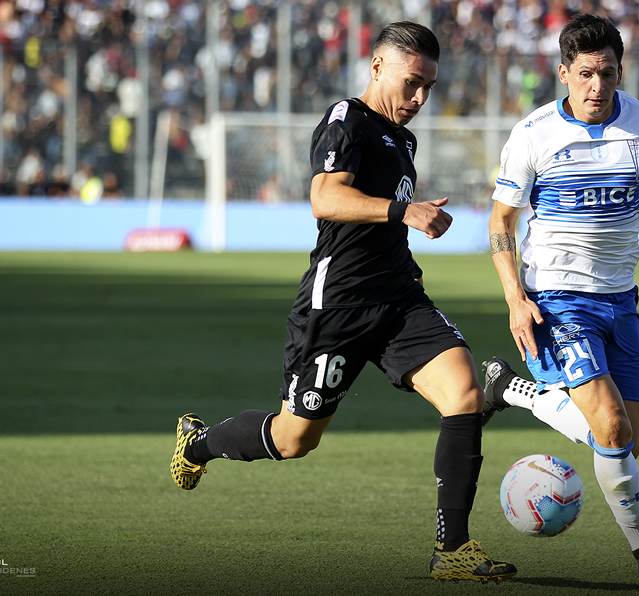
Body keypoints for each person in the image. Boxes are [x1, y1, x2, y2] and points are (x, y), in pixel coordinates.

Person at [169, 22, 516, 584]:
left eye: (429, 86)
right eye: (412, 83)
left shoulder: (404, 140)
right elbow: (325, 197)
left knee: (465, 393)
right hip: (340, 306)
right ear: (377, 66)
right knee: (294, 438)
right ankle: (199, 443)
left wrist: (405, 230)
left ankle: (452, 550)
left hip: (399, 298)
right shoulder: (345, 120)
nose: (421, 98)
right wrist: (405, 212)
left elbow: (379, 215)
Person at [485, 14, 639, 580]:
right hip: (556, 298)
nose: (596, 87)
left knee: (625, 447)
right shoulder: (534, 135)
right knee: (610, 427)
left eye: (607, 74)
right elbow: (502, 221)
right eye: (584, 74)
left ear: (619, 71)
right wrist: (515, 298)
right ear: (563, 73)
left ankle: (513, 389)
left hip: (620, 302)